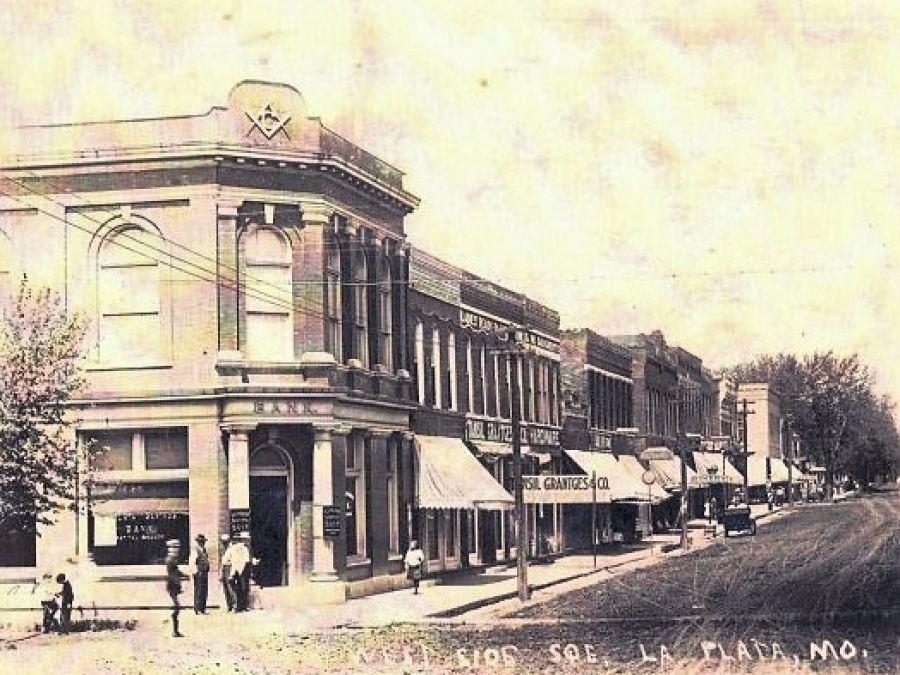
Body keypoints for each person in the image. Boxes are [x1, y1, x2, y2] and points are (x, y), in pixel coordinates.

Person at [165, 539, 189, 637]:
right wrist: (179, 585)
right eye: (174, 547)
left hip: (173, 585)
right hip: (172, 586)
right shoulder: (170, 560)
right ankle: (174, 631)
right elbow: (172, 575)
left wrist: (184, 575)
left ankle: (175, 630)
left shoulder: (172, 559)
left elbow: (177, 571)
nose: (176, 550)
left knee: (177, 607)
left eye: (177, 547)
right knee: (176, 608)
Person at [228, 532, 252, 612]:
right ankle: (241, 606)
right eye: (246, 539)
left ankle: (242, 606)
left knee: (244, 588)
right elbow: (235, 560)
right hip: (241, 569)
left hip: (243, 569)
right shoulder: (238, 548)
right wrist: (233, 572)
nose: (247, 541)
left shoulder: (246, 548)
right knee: (242, 588)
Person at [191, 534, 210, 615]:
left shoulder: (204, 550)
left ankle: (202, 608)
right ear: (198, 542)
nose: (203, 543)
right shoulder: (195, 550)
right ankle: (198, 609)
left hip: (204, 572)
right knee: (199, 590)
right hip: (199, 572)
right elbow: (192, 562)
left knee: (204, 590)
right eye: (201, 541)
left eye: (203, 541)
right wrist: (196, 572)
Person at [218, 534, 236, 612]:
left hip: (230, 568)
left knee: (231, 588)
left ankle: (235, 605)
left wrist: (232, 573)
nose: (224, 544)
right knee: (226, 589)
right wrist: (221, 572)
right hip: (224, 569)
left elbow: (234, 562)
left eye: (225, 542)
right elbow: (222, 562)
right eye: (223, 542)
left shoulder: (232, 549)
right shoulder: (223, 550)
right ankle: (229, 606)